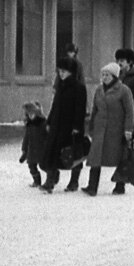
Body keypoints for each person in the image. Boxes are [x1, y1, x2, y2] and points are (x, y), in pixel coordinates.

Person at [82, 62, 134, 196]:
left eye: (107, 75)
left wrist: (128, 129)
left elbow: (130, 112)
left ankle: (120, 185)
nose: (104, 77)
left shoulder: (124, 90)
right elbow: (95, 109)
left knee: (119, 156)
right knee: (95, 157)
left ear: (114, 76)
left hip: (116, 130)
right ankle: (92, 186)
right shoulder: (99, 90)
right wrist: (91, 126)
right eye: (103, 75)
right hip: (100, 129)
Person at [40, 57, 87, 193]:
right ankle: (50, 181)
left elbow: (80, 109)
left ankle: (74, 181)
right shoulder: (60, 86)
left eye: (64, 71)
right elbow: (55, 106)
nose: (61, 74)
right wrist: (49, 121)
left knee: (73, 153)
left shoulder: (79, 88)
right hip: (57, 125)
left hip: (71, 127)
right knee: (52, 152)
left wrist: (77, 127)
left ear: (71, 72)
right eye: (59, 71)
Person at [19, 101, 48, 187]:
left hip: (42, 148)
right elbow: (26, 138)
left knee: (44, 165)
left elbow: (47, 136)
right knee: (31, 165)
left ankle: (53, 176)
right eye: (29, 114)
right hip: (31, 149)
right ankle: (37, 181)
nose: (31, 116)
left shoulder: (43, 123)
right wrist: (24, 150)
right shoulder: (29, 125)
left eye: (32, 114)